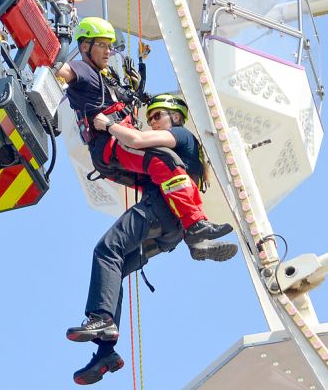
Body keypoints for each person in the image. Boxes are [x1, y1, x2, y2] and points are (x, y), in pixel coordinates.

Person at [65, 94, 240, 385]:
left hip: (159, 209)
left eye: (158, 116)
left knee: (107, 250)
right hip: (172, 230)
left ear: (176, 117)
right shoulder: (187, 159)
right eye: (151, 118)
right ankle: (106, 350)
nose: (152, 122)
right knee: (115, 268)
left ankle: (102, 321)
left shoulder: (181, 136)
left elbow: (135, 141)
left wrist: (109, 125)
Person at [56, 17, 233, 256]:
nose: (109, 51)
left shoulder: (103, 79)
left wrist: (135, 92)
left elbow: (122, 96)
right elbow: (63, 70)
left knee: (159, 182)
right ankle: (194, 225)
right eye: (102, 45)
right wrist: (48, 49)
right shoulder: (84, 70)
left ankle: (192, 238)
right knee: (162, 160)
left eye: (110, 45)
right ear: (85, 46)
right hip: (112, 143)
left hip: (114, 145)